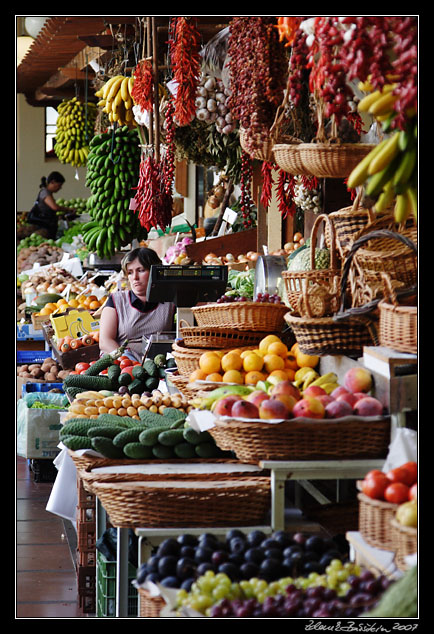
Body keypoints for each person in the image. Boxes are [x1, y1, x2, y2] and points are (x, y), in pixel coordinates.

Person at [98, 247, 175, 362]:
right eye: (130, 272)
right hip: (122, 364)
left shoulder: (169, 301)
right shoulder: (116, 301)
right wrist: (128, 362)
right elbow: (105, 341)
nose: (135, 278)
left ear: (155, 271)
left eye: (141, 270)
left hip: (160, 362)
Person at [27, 171, 76, 239]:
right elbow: (54, 207)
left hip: (45, 224)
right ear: (52, 182)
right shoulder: (45, 192)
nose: (60, 188)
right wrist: (68, 209)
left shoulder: (47, 192)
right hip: (43, 225)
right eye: (59, 185)